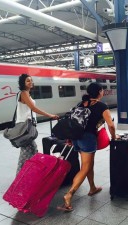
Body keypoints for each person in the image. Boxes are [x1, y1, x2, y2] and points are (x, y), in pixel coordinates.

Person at [58, 82, 116, 212]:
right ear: (100, 92)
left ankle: (92, 188)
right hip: (88, 138)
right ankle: (69, 194)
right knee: (85, 167)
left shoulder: (81, 103)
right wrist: (114, 137)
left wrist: (70, 138)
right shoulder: (101, 106)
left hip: (76, 138)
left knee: (89, 164)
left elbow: (72, 121)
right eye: (102, 91)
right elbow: (111, 125)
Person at [16, 74, 59, 174]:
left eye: (31, 80)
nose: (30, 82)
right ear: (23, 83)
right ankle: (21, 175)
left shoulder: (27, 93)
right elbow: (33, 108)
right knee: (26, 152)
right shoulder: (23, 93)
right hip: (24, 128)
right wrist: (50, 115)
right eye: (27, 81)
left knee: (32, 150)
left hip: (28, 126)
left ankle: (32, 172)